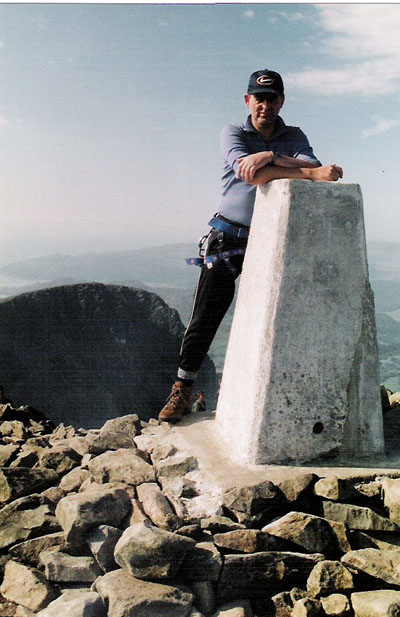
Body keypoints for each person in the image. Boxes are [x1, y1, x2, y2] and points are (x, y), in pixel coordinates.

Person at [159, 68, 343, 423]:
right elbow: (254, 173)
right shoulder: (233, 132)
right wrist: (280, 163)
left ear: (281, 101)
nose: (265, 105)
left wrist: (269, 157)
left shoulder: (295, 134)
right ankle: (182, 390)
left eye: (272, 98)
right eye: (259, 98)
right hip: (229, 237)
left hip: (272, 239)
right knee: (206, 317)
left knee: (268, 317)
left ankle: (246, 388)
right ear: (248, 101)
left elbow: (316, 167)